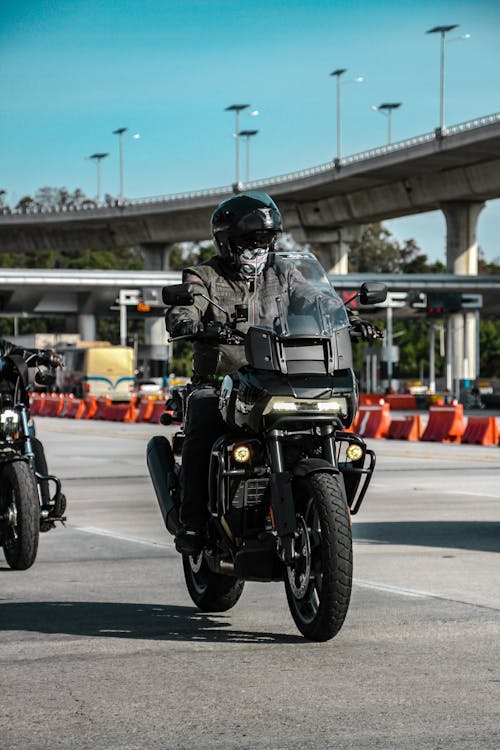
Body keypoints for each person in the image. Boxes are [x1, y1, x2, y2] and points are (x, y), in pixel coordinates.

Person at [165, 190, 381, 554]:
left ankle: (321, 514)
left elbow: (316, 299)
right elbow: (189, 303)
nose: (259, 246)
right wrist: (189, 321)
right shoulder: (204, 275)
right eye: (251, 239)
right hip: (222, 382)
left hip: (278, 375)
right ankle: (193, 524)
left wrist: (350, 318)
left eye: (266, 238)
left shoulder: (281, 271)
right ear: (227, 240)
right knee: (202, 413)